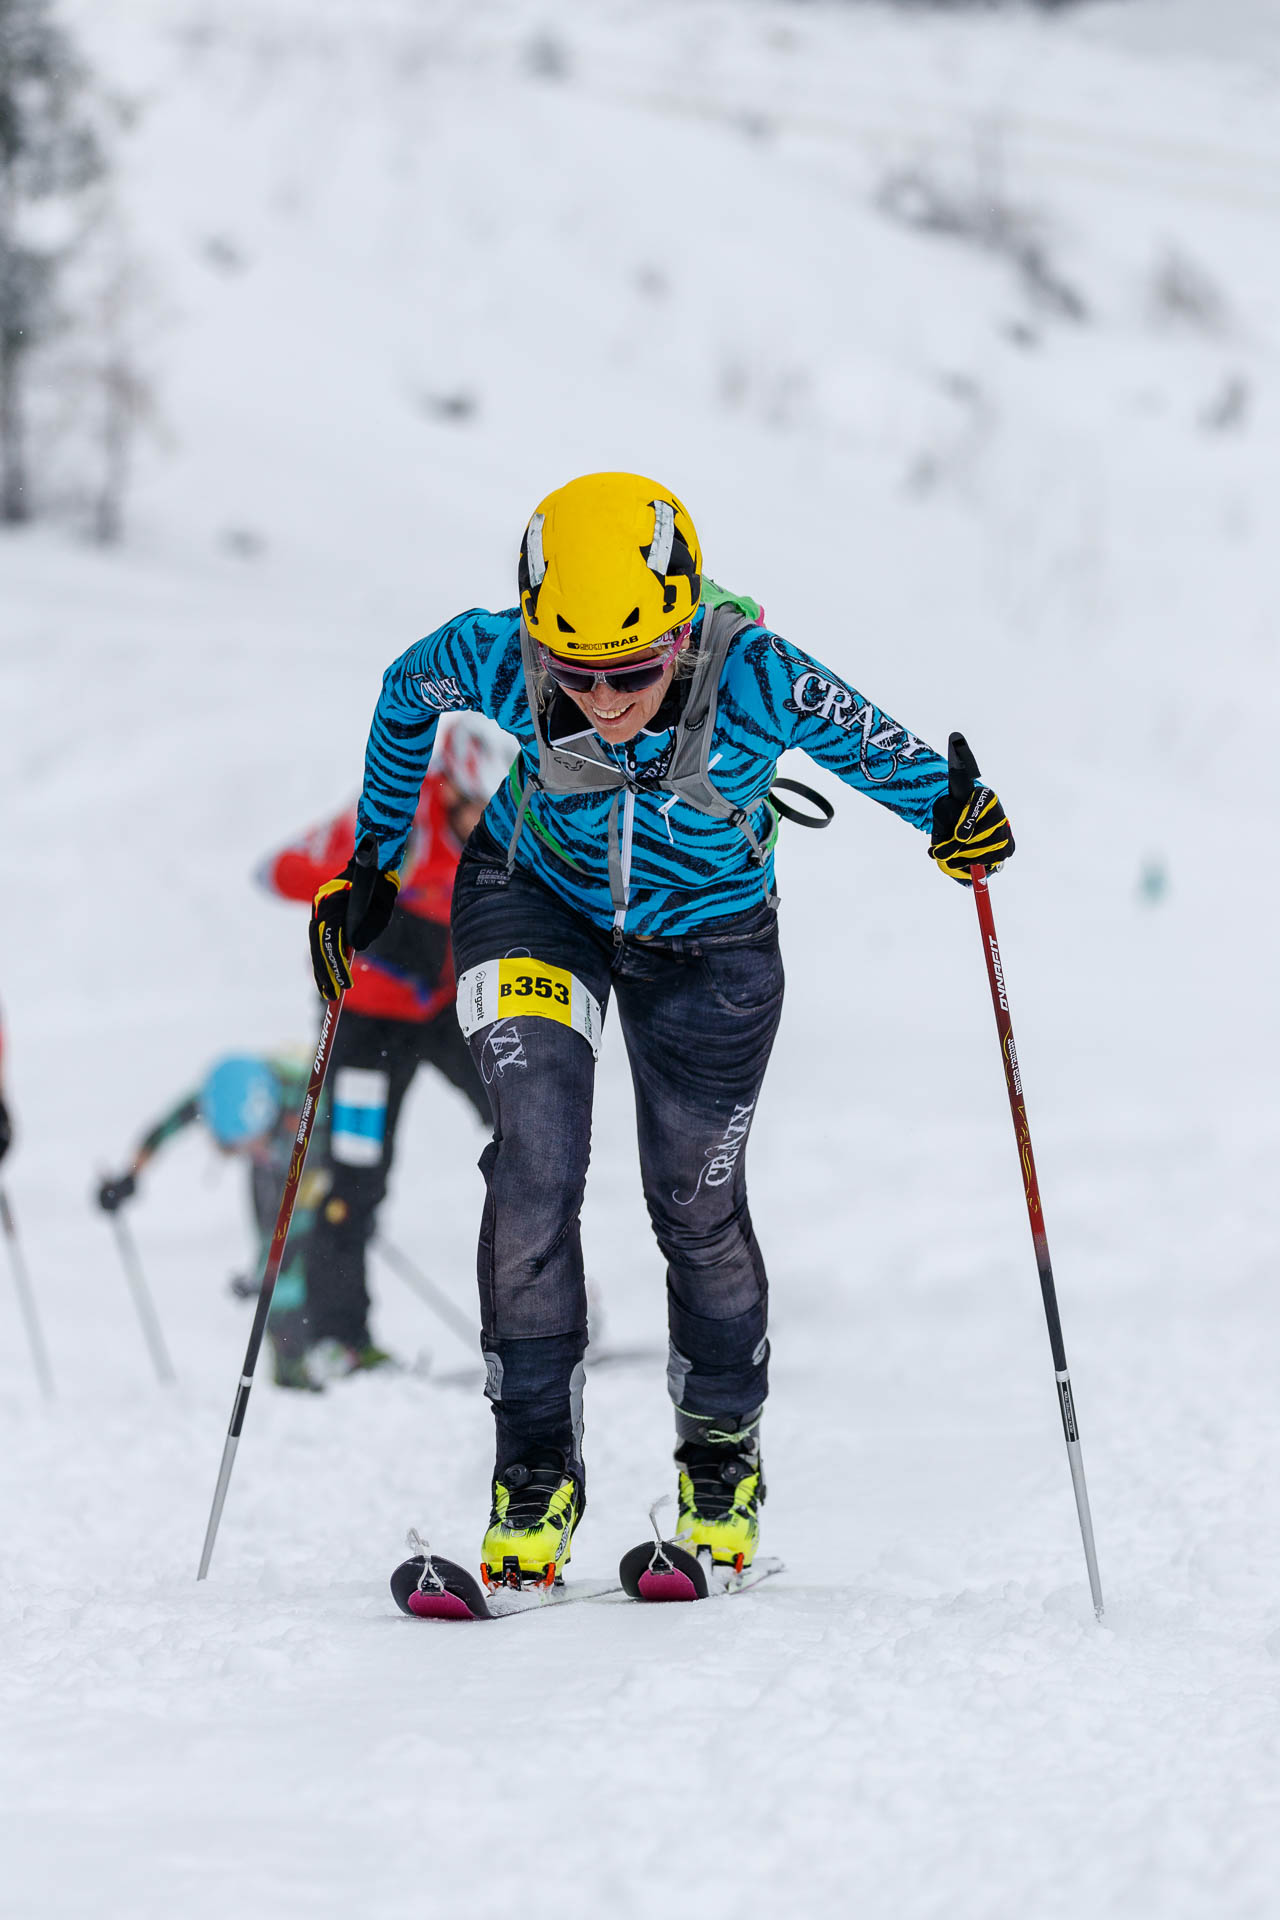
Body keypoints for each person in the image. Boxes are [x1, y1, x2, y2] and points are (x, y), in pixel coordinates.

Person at [307, 471, 1014, 1590]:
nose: (602, 699)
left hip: (713, 946)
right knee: (534, 1159)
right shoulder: (495, 655)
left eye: (632, 671)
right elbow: (406, 696)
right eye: (572, 672)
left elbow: (893, 761)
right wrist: (371, 865)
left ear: (680, 627)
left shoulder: (756, 675)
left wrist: (956, 818)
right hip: (533, 904)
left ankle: (719, 1457)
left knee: (692, 1200)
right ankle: (533, 1470)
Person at [258, 718, 500, 1383]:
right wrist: (366, 911)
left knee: (529, 1124)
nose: (485, 820)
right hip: (366, 1026)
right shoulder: (397, 817)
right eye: (475, 805)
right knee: (355, 1175)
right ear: (447, 787)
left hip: (446, 1012)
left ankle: (548, 1309)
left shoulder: (510, 829)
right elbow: (279, 871)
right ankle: (341, 1337)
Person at [95, 1053, 364, 1390]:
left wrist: (262, 1272)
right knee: (274, 1260)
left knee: (294, 1262)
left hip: (315, 1163)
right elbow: (169, 1125)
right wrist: (130, 1175)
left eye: (241, 1145)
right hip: (274, 1162)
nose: (233, 1152)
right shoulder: (229, 1094)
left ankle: (324, 1353)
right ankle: (290, 1365)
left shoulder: (307, 1113)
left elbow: (292, 1226)